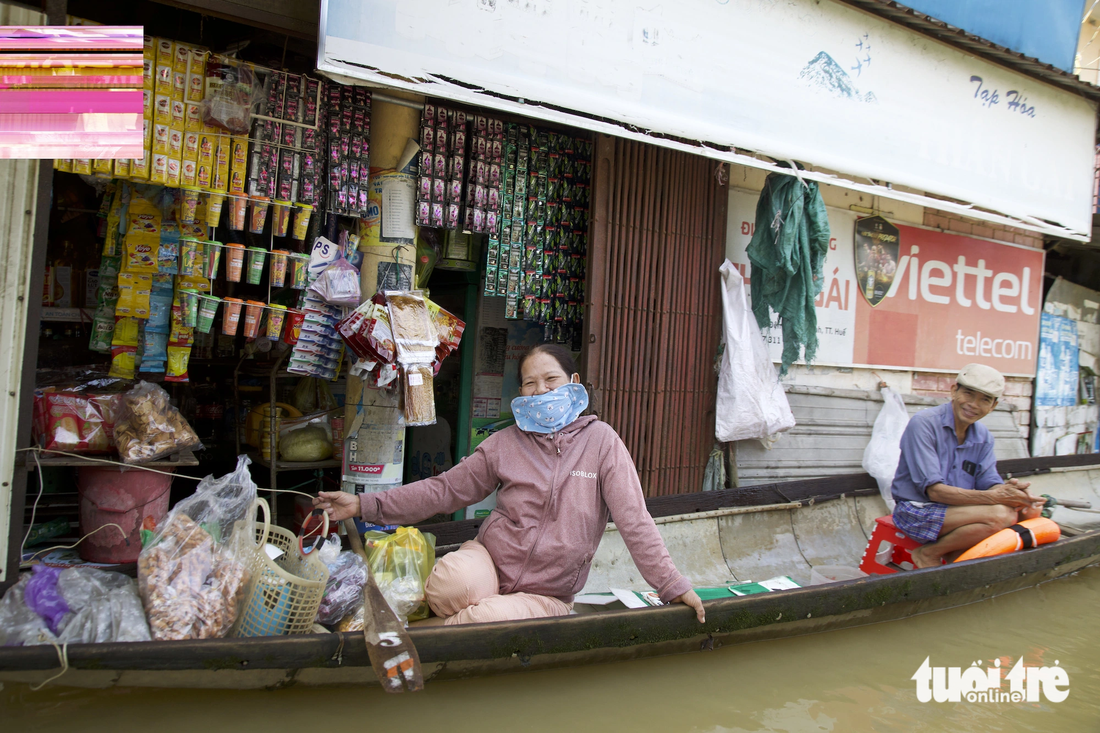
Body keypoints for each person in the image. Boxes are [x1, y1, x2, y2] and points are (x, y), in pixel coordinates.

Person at [315, 344, 705, 626]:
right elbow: (444, 490)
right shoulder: (506, 442)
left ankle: (423, 638)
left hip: (547, 594)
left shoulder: (602, 442)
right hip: (491, 561)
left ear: (573, 382)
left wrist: (672, 585)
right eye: (529, 383)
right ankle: (445, 619)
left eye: (550, 379)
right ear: (520, 393)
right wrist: (363, 505)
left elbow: (635, 521)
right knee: (447, 587)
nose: (541, 390)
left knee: (483, 619)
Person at [891, 363, 1046, 568]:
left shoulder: (983, 437)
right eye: (969, 394)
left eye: (985, 399)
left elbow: (988, 481)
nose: (974, 404)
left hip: (956, 510)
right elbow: (935, 492)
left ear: (993, 406)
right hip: (915, 512)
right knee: (1002, 515)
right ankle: (928, 553)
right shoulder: (924, 423)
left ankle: (954, 559)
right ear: (954, 391)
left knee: (1026, 512)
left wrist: (1010, 492)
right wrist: (995, 497)